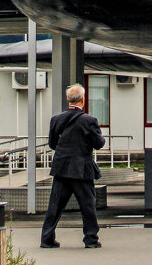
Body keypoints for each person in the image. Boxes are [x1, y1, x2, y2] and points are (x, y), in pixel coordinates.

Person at [40, 83, 105, 249]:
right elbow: (99, 144)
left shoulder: (56, 119)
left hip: (61, 167)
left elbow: (52, 144)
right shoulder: (89, 120)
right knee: (87, 205)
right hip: (82, 169)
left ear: (68, 99)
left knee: (55, 205)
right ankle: (90, 239)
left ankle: (46, 239)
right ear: (83, 100)